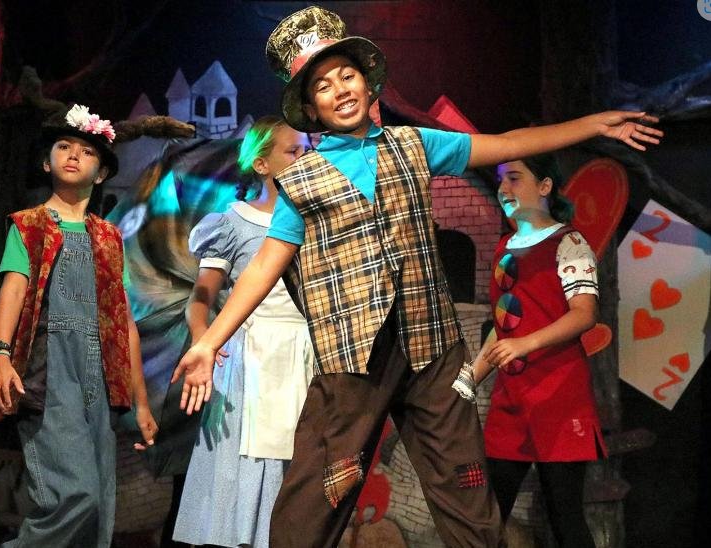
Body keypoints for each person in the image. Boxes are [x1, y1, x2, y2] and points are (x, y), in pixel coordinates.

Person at [172, 6, 661, 547]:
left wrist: (592, 124)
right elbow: (266, 265)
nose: (339, 90)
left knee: (468, 497)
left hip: (431, 347)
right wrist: (209, 342)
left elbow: (507, 143)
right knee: (313, 503)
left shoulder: (414, 144)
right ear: (310, 107)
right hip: (353, 359)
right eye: (323, 86)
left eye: (347, 75)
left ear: (367, 82)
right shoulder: (301, 181)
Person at [0, 104, 158, 547]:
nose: (74, 155)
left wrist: (141, 403)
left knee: (99, 510)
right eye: (64, 147)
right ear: (47, 162)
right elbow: (14, 290)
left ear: (102, 174)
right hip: (51, 369)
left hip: (99, 375)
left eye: (87, 151)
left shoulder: (109, 237)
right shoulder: (29, 226)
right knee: (74, 496)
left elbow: (123, 321)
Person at [172, 116, 314, 547]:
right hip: (250, 360)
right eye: (293, 151)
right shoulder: (233, 223)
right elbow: (199, 300)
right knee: (246, 463)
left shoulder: (318, 221)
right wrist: (205, 342)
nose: (304, 158)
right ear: (262, 163)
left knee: (300, 465)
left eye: (308, 151)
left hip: (306, 355)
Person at [467, 154, 609, 547]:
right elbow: (504, 328)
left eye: (514, 178)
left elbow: (585, 314)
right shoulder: (504, 247)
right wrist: (469, 379)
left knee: (565, 517)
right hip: (511, 400)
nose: (504, 188)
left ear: (545, 186)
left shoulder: (570, 243)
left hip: (557, 398)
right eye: (501, 180)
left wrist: (526, 343)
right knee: (486, 518)